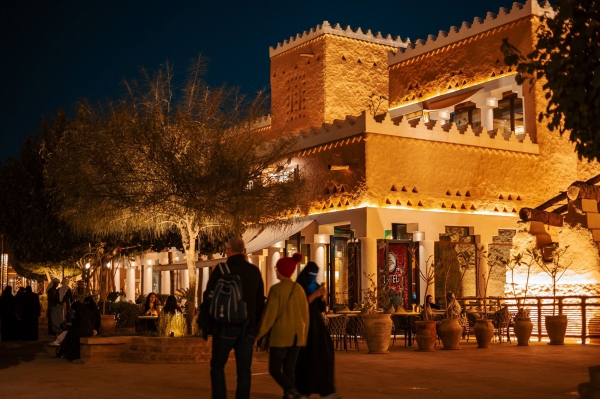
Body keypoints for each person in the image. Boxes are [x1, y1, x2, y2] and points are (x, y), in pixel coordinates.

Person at [204, 237, 265, 399]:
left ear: (228, 251)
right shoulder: (254, 271)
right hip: (247, 327)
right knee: (244, 370)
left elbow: (208, 295)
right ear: (244, 251)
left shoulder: (221, 270)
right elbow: (260, 301)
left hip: (224, 325)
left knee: (217, 366)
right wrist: (256, 326)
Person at [257, 253, 309, 399]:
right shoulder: (299, 289)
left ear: (281, 271)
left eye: (276, 268)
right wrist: (304, 336)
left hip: (281, 336)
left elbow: (269, 316)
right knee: (289, 368)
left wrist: (259, 333)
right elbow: (306, 316)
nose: (275, 271)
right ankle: (288, 395)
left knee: (274, 369)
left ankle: (292, 391)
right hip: (297, 336)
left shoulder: (276, 290)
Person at [295, 261, 339, 399]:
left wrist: (322, 297)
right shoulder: (300, 286)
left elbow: (320, 308)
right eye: (311, 274)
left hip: (317, 327)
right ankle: (303, 390)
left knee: (324, 355)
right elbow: (300, 304)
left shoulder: (315, 285)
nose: (313, 277)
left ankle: (325, 389)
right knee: (305, 359)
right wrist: (314, 295)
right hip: (305, 325)